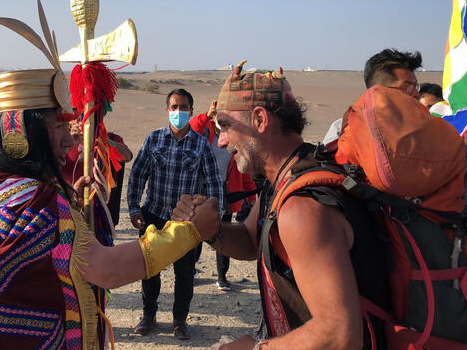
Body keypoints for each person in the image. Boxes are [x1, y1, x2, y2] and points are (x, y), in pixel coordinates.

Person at [0, 0, 212, 348]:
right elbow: (107, 269)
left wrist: (72, 206)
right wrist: (188, 231)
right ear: (22, 132)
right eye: (57, 126)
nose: (69, 138)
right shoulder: (39, 201)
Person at [173, 60, 388, 349]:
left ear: (260, 120)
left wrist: (257, 349)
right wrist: (209, 230)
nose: (221, 141)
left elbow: (339, 334)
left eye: (225, 126)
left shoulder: (302, 208)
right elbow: (252, 241)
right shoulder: (285, 180)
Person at [127, 88, 224, 339]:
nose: (178, 112)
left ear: (191, 111)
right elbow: (138, 174)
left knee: (184, 273)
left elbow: (213, 181)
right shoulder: (153, 139)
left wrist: (215, 214)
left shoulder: (201, 144)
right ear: (167, 110)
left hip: (186, 221)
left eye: (183, 108)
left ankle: (180, 321)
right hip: (154, 216)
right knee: (150, 269)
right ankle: (148, 316)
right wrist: (135, 208)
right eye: (174, 107)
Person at [189, 100, 256, 291]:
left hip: (226, 193)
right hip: (201, 190)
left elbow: (243, 169)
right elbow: (191, 131)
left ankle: (222, 276)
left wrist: (250, 198)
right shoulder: (206, 130)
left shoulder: (236, 135)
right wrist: (206, 115)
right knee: (196, 233)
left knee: (222, 233)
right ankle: (192, 269)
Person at [323, 48, 422, 145]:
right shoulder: (342, 129)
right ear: (379, 91)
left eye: (415, 86)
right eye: (407, 87)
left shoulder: (423, 129)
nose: (416, 94)